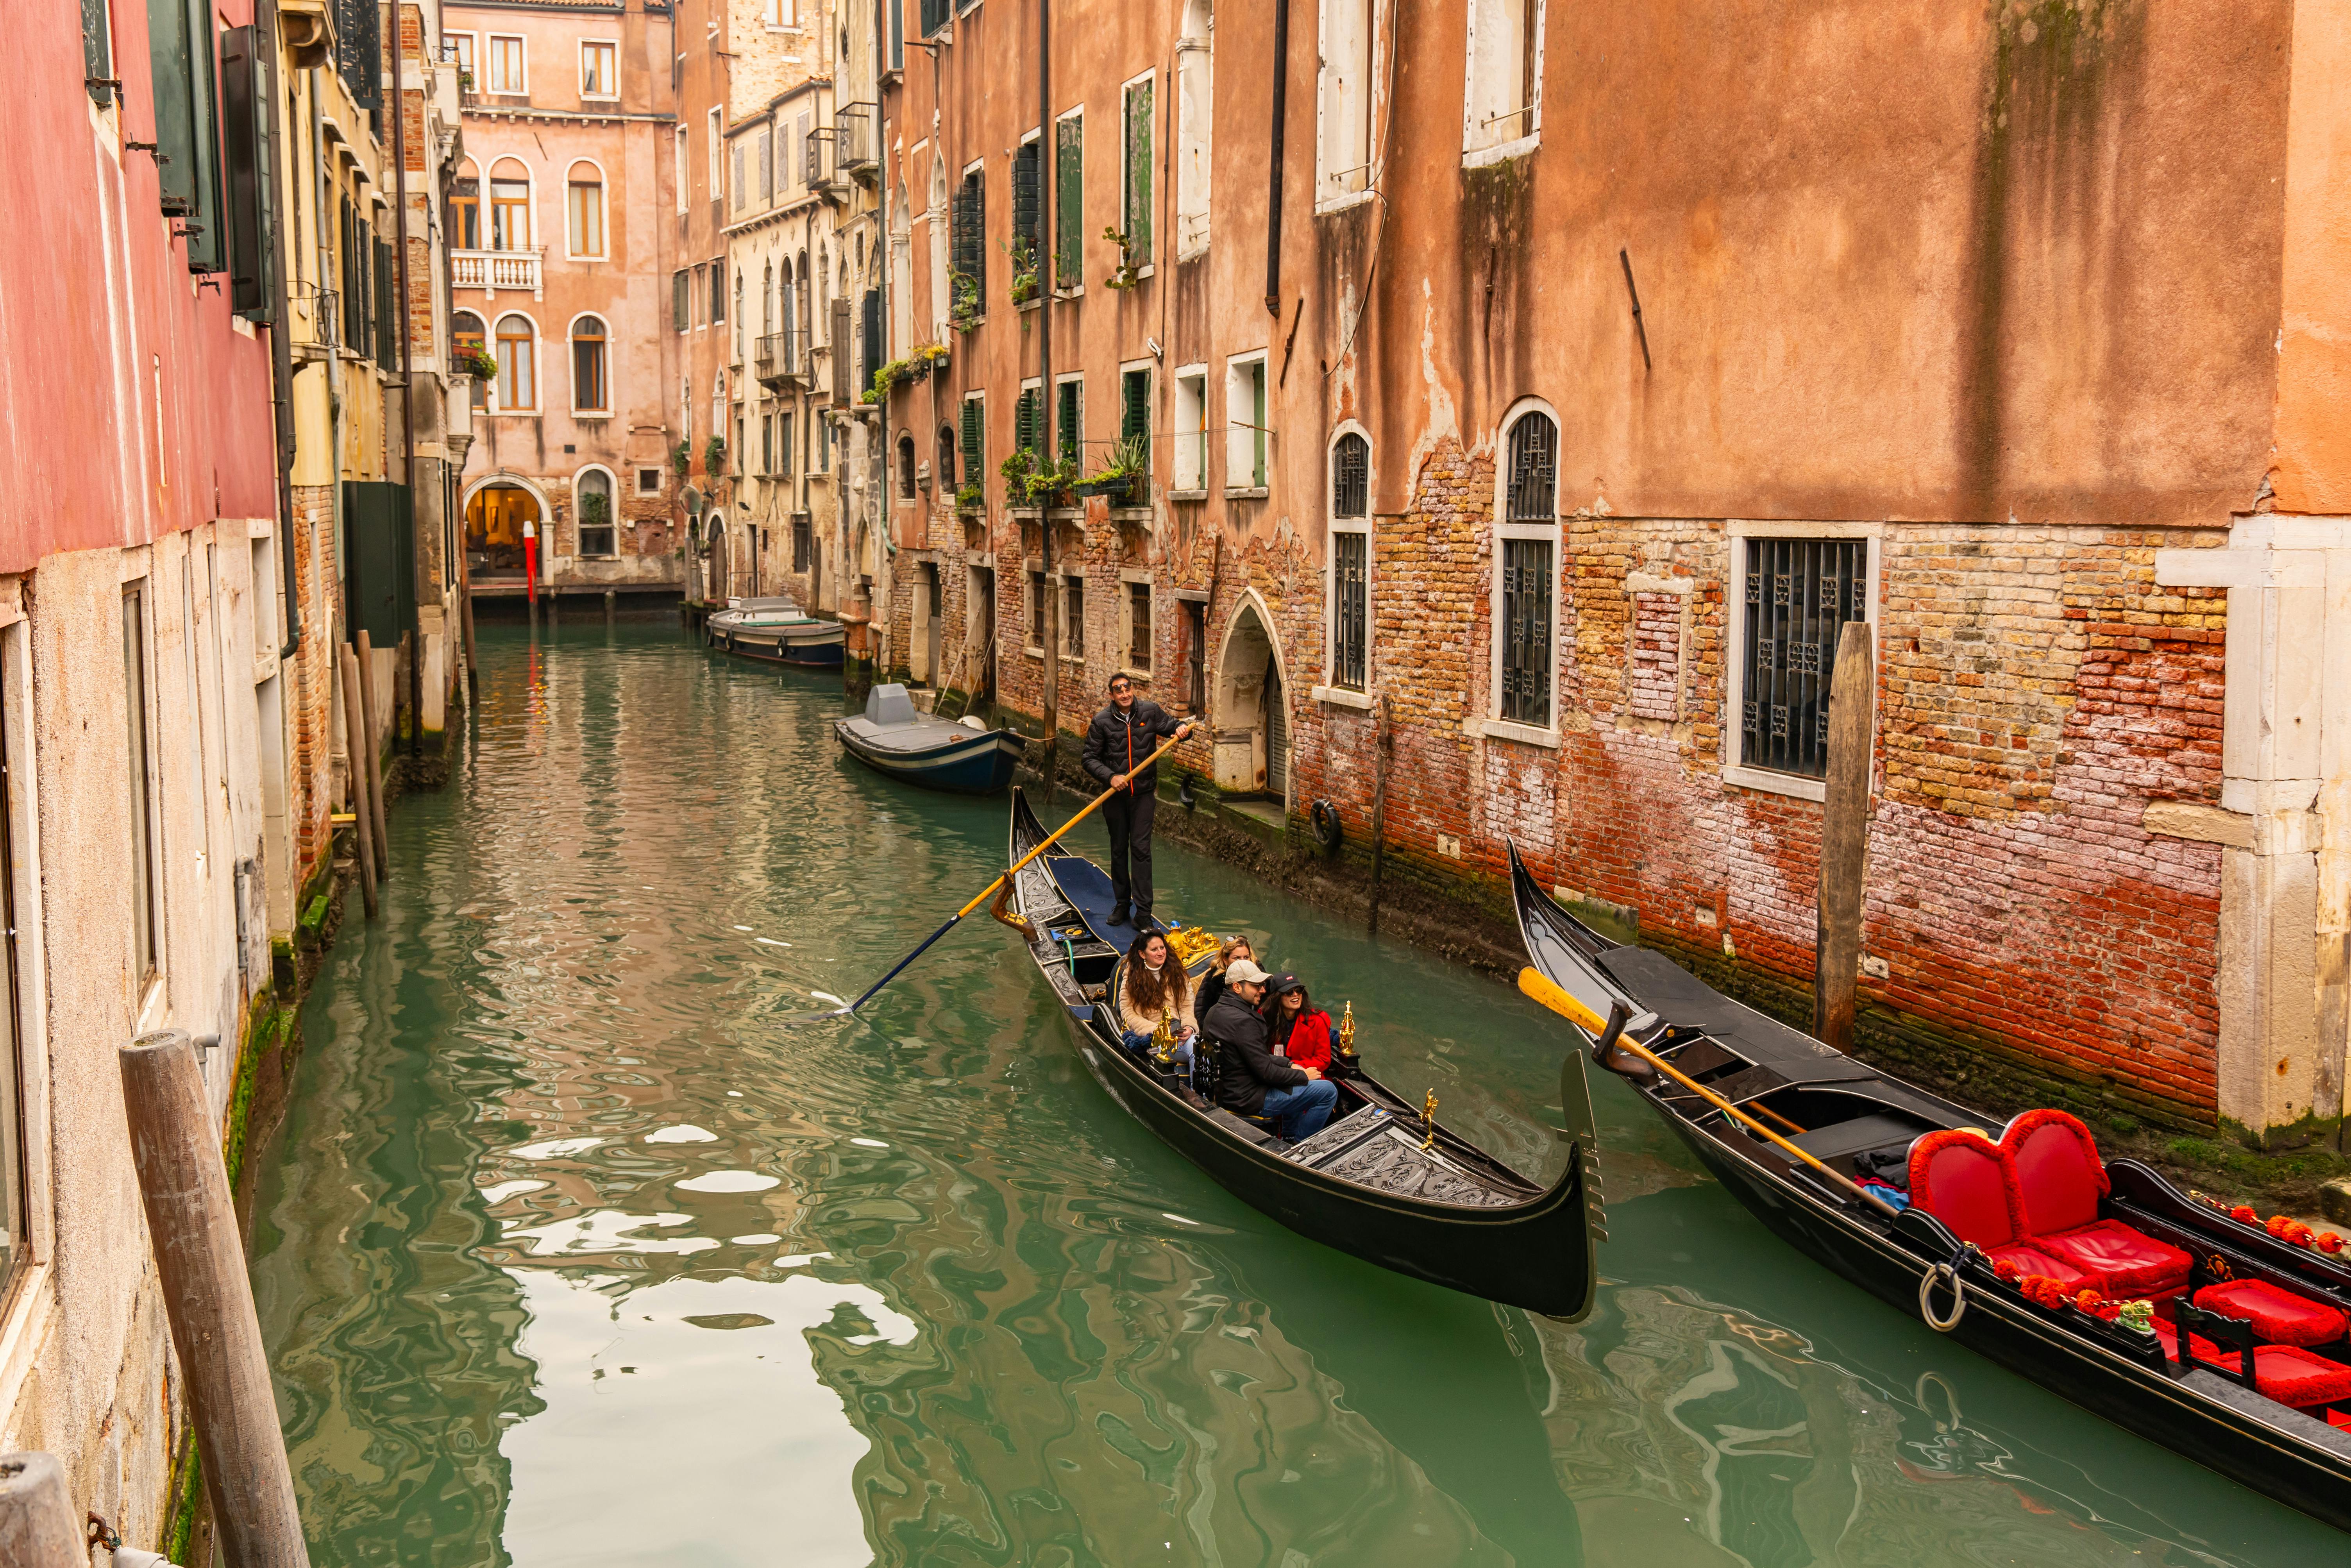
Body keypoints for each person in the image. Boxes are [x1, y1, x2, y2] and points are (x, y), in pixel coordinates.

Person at [1081, 670, 1192, 928]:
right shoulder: (1101, 721)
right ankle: (1122, 905)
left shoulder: (1150, 712)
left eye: (1127, 688)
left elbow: (1171, 726)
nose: (1124, 693)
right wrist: (1110, 777)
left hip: (1143, 795)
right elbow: (1088, 759)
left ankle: (1143, 913)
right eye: (1118, 690)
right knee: (1119, 850)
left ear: (1133, 690)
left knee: (1141, 852)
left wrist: (1182, 729)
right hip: (1115, 797)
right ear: (1111, 695)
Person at [1202, 960, 1338, 1143]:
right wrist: (1303, 1075)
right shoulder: (1244, 1021)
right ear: (1237, 987)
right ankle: (1300, 1145)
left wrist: (1290, 1064)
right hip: (1250, 1098)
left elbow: (1255, 1057)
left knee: (1298, 1082)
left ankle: (1291, 1134)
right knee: (1328, 1091)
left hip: (1231, 1090)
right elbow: (1266, 1072)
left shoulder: (1216, 1011)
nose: (1263, 991)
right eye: (1256, 986)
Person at [1116, 930, 1203, 1105]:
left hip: (1179, 1035)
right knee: (1195, 1048)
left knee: (1199, 1046)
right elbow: (1129, 1013)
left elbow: (1187, 1006)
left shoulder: (1177, 972)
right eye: (1154, 949)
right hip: (1153, 1039)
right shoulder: (1131, 978)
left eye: (1162, 948)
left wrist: (1189, 1027)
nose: (1160, 952)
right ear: (1142, 954)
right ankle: (1198, 1100)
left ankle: (1201, 1097)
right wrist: (1157, 1031)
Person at [1259, 974, 1334, 1074]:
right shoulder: (1264, 1016)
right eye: (1289, 992)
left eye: (1299, 990)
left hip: (1307, 1076)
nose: (1295, 995)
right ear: (1277, 996)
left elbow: (1323, 1059)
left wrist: (1292, 1067)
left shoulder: (1318, 1020)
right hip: (1274, 1075)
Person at [1192, 935, 1257, 1021]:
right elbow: (1202, 1014)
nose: (1243, 962)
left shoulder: (1260, 975)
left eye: (1246, 957)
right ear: (1226, 960)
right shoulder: (1214, 980)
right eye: (1237, 958)